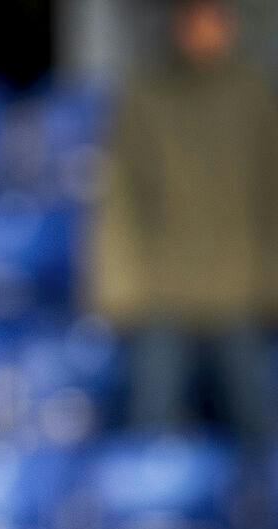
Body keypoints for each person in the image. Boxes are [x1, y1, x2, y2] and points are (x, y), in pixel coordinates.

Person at [90, 0, 278, 442]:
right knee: (152, 425)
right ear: (179, 25)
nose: (205, 31)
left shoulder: (254, 97)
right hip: (162, 292)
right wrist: (119, 289)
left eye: (215, 19)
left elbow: (271, 196)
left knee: (256, 427)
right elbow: (120, 198)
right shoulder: (145, 95)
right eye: (195, 19)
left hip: (239, 291)